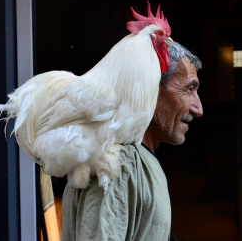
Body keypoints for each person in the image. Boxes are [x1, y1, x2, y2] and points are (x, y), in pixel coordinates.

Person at [61, 42, 203, 241]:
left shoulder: (133, 159)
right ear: (150, 88)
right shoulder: (117, 164)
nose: (198, 109)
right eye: (189, 90)